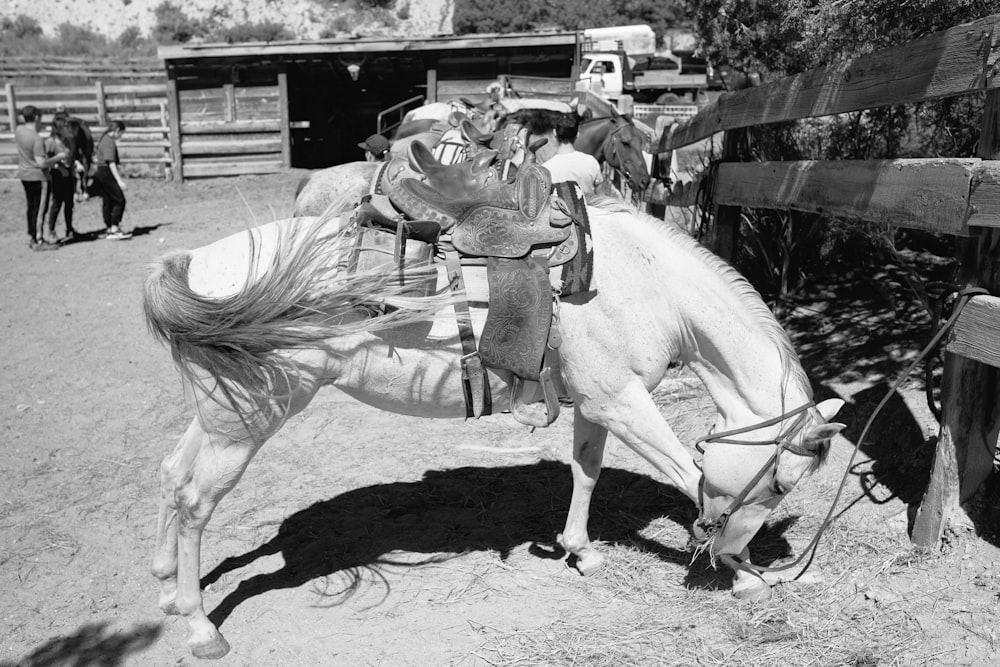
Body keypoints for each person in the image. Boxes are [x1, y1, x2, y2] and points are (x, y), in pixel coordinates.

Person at [15, 105, 68, 250]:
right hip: (38, 177)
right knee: (39, 209)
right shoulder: (37, 139)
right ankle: (38, 240)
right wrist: (58, 157)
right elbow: (42, 163)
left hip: (24, 175)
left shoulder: (19, 131)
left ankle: (32, 236)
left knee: (31, 207)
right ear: (37, 117)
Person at [539, 112, 604, 195]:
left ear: (555, 133)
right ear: (577, 134)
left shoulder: (546, 169)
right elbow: (601, 198)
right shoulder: (591, 162)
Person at [92, 120, 131, 240]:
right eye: (121, 134)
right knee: (119, 200)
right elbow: (111, 162)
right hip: (106, 172)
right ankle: (114, 227)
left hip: (101, 172)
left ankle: (109, 228)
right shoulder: (109, 142)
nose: (121, 136)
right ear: (117, 130)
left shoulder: (104, 139)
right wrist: (119, 180)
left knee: (107, 200)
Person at [43, 113, 78, 243]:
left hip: (68, 173)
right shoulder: (50, 142)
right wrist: (59, 166)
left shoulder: (67, 141)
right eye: (65, 126)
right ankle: (51, 230)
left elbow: (71, 157)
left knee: (69, 203)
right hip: (57, 175)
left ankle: (69, 229)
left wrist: (74, 165)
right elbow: (46, 161)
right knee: (57, 203)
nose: (68, 129)